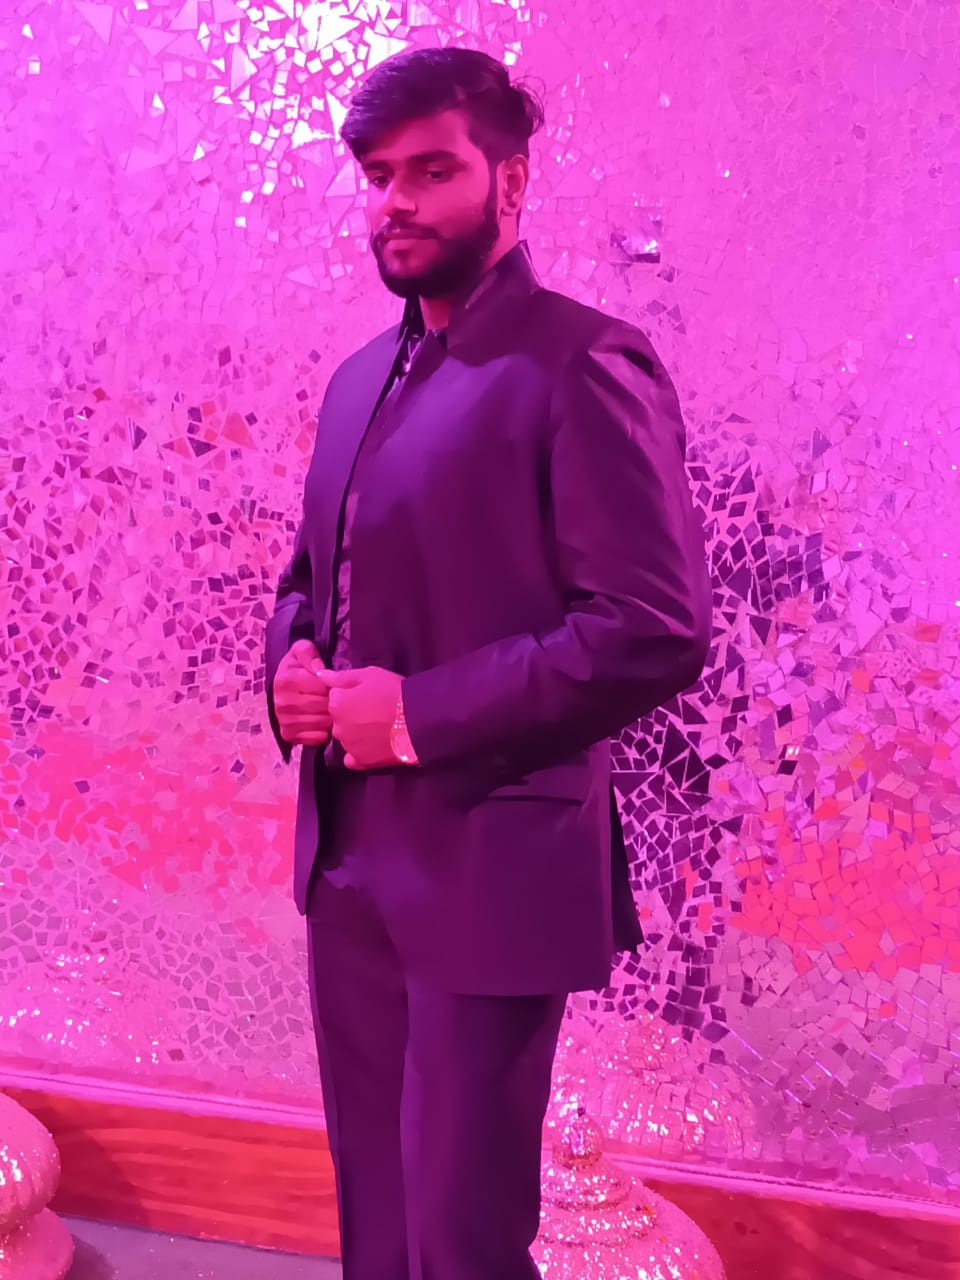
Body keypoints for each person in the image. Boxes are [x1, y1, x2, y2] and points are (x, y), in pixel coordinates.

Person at [264, 46, 712, 1280]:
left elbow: (652, 623)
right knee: (378, 1225)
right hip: (349, 863)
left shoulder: (586, 363)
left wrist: (416, 712)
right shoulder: (357, 381)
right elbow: (311, 578)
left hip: (494, 863)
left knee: (459, 1237)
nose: (395, 202)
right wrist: (288, 665)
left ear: (509, 183)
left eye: (432, 171)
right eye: (377, 177)